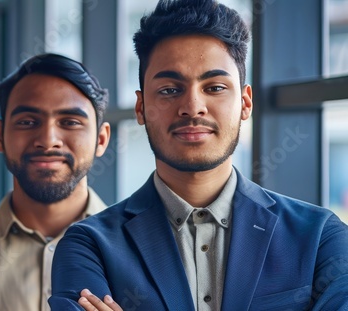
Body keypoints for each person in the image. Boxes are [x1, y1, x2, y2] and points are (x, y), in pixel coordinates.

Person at [49, 0, 348, 310]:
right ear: (140, 107)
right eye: (168, 89)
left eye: (215, 87)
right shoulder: (89, 246)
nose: (192, 107)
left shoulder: (320, 237)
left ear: (245, 102)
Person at [0, 53, 110, 311]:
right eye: (28, 122)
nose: (48, 139)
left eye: (70, 122)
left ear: (101, 139)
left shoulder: (141, 251)